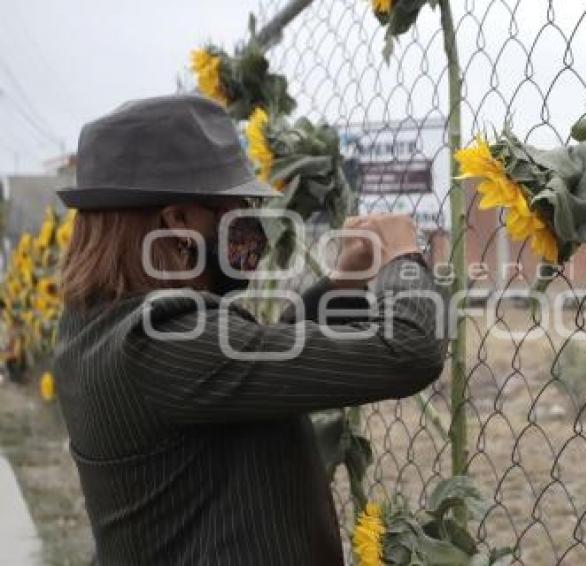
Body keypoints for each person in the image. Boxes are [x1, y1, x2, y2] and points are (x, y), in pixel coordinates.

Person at [53, 94, 446, 564]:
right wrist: (405, 256)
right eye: (236, 204)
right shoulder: (161, 340)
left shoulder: (93, 326)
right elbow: (409, 351)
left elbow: (244, 367)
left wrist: (345, 281)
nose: (249, 221)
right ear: (177, 220)